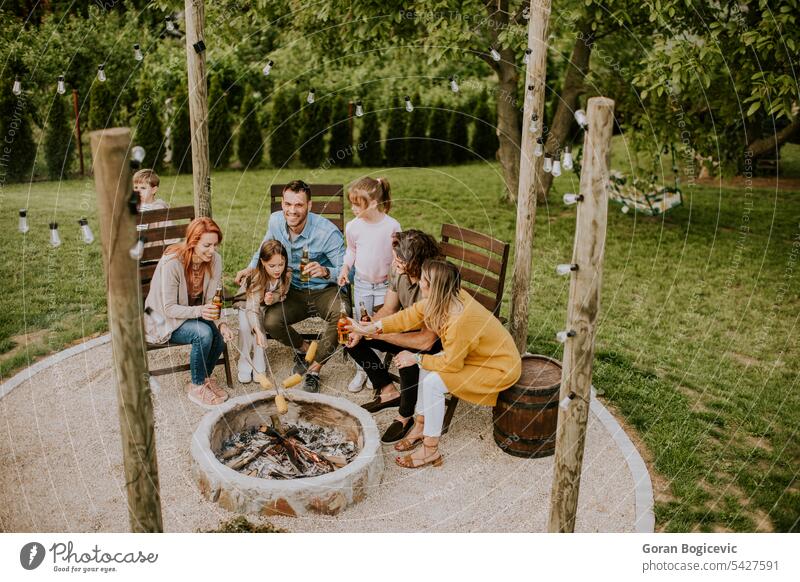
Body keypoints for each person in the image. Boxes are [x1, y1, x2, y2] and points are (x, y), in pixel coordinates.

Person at [350, 259, 522, 468]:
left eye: (423, 279)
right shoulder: (443, 299)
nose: (419, 282)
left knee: (433, 381)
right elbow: (406, 317)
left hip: (498, 367)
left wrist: (415, 358)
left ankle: (430, 449)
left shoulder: (459, 320)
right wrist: (367, 329)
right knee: (428, 367)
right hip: (474, 356)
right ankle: (421, 425)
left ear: (435, 287)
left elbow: (452, 364)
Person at [234, 180, 348, 392]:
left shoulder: (328, 233)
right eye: (287, 204)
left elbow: (347, 270)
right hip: (292, 289)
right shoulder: (276, 221)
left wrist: (325, 271)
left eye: (298, 205)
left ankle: (314, 368)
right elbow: (263, 250)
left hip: (324, 289)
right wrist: (250, 269)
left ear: (309, 206)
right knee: (271, 320)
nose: (292, 210)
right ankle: (305, 348)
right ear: (283, 204)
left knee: (342, 314)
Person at [344, 230, 443, 443]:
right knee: (350, 339)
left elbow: (426, 340)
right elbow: (388, 309)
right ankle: (388, 391)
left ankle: (405, 415)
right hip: (405, 327)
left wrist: (386, 336)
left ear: (416, 261)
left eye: (400, 259)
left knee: (406, 356)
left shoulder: (433, 283)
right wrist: (365, 329)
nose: (395, 262)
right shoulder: (398, 271)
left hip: (435, 339)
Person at [144, 217, 234, 408]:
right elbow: (168, 308)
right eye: (207, 245)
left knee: (218, 335)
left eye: (215, 245)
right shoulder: (172, 263)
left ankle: (205, 377)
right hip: (162, 318)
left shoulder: (214, 260)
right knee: (203, 333)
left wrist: (222, 323)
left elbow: (213, 300)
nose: (212, 250)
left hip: (191, 312)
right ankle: (196, 386)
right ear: (193, 242)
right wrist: (202, 310)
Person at [337, 177, 401, 393]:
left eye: (358, 204)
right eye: (352, 203)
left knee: (380, 328)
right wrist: (345, 268)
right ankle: (362, 370)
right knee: (361, 325)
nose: (353, 209)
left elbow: (396, 256)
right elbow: (352, 250)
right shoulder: (353, 226)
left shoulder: (392, 226)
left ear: (373, 203)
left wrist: (395, 280)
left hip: (385, 287)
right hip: (362, 285)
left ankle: (377, 371)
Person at [235, 240, 291, 383]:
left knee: (259, 326)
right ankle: (244, 363)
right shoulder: (257, 278)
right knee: (246, 327)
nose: (277, 269)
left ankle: (259, 363)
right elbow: (252, 309)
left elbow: (282, 294)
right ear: (263, 262)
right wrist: (257, 330)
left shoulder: (287, 275)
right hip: (246, 304)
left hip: (264, 306)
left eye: (281, 264)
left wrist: (272, 299)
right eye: (272, 266)